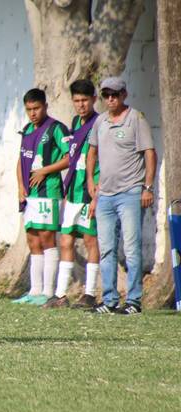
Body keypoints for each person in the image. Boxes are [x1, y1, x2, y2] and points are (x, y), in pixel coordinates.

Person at [87, 77, 157, 315]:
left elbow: (149, 153)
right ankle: (109, 300)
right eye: (106, 95)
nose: (110, 99)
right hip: (105, 195)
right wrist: (91, 184)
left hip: (130, 192)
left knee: (131, 247)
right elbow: (92, 152)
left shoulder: (136, 119)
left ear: (124, 95)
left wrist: (147, 187)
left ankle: (134, 301)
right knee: (105, 248)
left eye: (115, 95)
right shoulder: (100, 122)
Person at [44, 79, 100, 309]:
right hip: (73, 193)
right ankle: (60, 295)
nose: (81, 105)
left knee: (89, 240)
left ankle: (89, 293)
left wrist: (96, 191)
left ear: (93, 100)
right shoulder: (75, 122)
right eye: (76, 100)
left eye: (85, 100)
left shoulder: (99, 123)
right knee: (65, 240)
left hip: (89, 191)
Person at [12, 88, 70, 306]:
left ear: (45, 106)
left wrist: (45, 171)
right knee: (32, 239)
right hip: (30, 195)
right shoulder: (27, 129)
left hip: (49, 192)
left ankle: (48, 291)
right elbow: (20, 160)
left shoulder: (56, 128)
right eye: (29, 109)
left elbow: (69, 158)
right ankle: (35, 291)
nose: (33, 113)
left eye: (36, 108)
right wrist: (20, 186)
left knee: (47, 238)